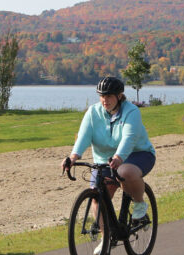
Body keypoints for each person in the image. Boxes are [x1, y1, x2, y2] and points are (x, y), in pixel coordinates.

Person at [62, 76, 156, 225]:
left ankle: (139, 205)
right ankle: (106, 237)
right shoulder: (93, 112)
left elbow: (129, 138)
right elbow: (83, 137)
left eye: (109, 96)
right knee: (97, 196)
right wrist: (73, 158)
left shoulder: (131, 111)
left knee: (125, 172)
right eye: (102, 96)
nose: (105, 100)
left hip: (138, 154)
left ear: (119, 96)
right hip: (104, 160)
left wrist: (119, 158)